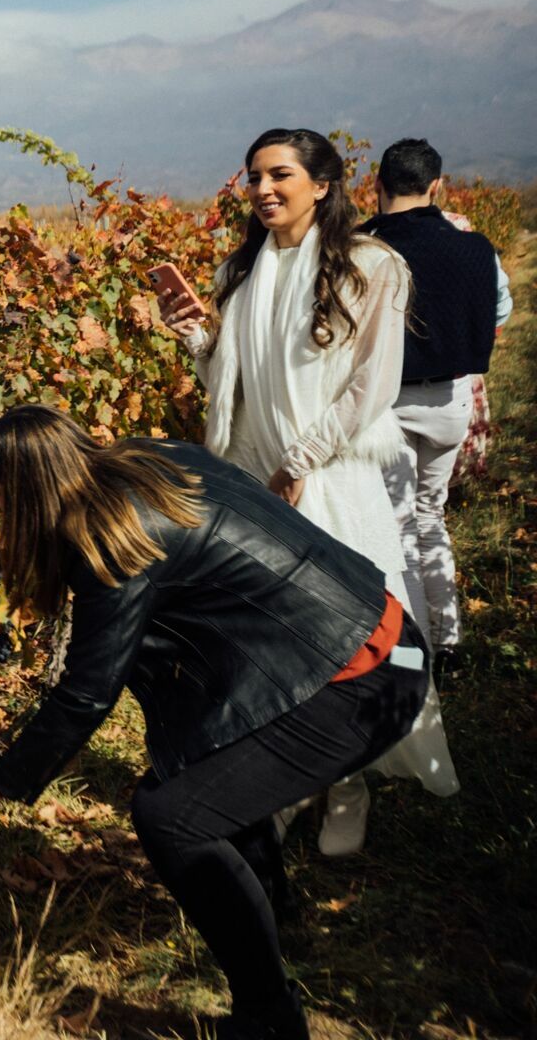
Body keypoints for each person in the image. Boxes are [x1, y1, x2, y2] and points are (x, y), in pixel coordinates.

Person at [0, 405, 430, 1040]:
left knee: (173, 816)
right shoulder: (145, 461)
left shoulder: (112, 540)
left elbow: (87, 694)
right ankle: (277, 925)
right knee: (209, 776)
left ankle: (268, 1017)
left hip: (357, 675)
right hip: (371, 633)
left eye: (2, 491)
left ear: (32, 488)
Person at [158, 127, 456, 856]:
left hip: (326, 475)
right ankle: (292, 782)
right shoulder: (245, 268)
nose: (262, 188)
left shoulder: (370, 264)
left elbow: (372, 385)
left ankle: (349, 786)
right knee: (272, 641)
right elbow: (234, 389)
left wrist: (302, 459)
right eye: (253, 176)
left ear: (323, 184)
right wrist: (197, 339)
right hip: (257, 475)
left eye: (279, 174)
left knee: (353, 638)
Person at [357, 139, 510, 653]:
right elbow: (500, 312)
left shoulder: (362, 250)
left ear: (377, 186)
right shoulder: (475, 247)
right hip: (450, 401)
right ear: (436, 187)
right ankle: (447, 639)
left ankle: (415, 646)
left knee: (397, 525)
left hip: (387, 405)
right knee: (429, 516)